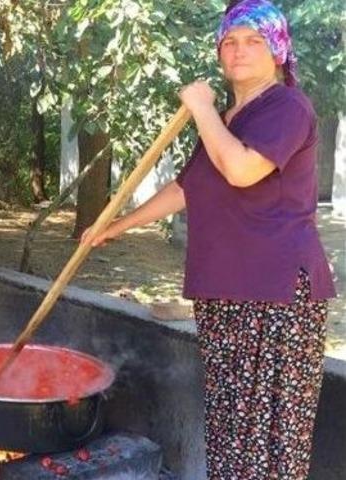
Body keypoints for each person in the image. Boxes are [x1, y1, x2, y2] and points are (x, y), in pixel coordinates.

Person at [83, 1, 336, 478]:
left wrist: (200, 107)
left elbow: (241, 169)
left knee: (266, 444)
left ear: (278, 50)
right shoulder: (227, 119)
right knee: (232, 432)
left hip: (274, 298)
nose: (238, 51)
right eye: (229, 42)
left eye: (253, 41)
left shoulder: (287, 106)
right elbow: (187, 188)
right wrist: (113, 227)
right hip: (225, 293)